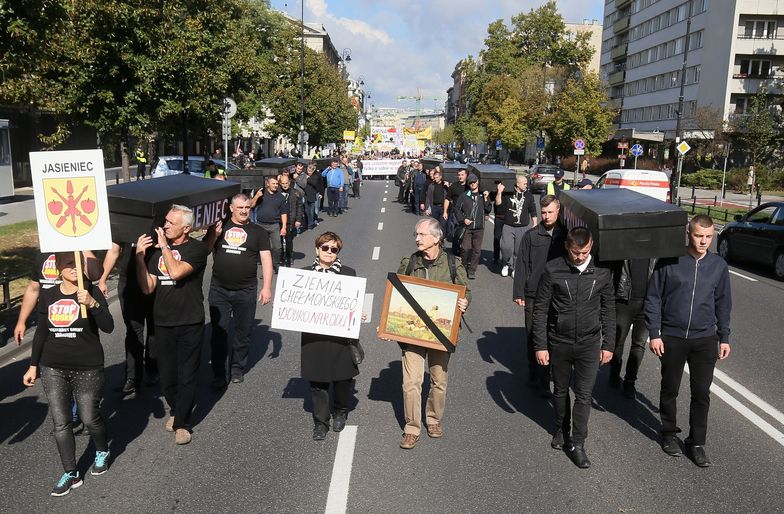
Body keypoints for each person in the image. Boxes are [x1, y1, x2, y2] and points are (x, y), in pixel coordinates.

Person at [23, 252, 114, 496]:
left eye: (78, 264)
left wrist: (93, 305)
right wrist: (33, 365)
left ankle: (102, 449)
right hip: (53, 367)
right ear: (58, 268)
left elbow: (108, 326)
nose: (74, 268)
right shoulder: (49, 295)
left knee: (88, 418)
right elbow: (41, 332)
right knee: (61, 423)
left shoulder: (91, 292)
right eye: (68, 264)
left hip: (87, 367)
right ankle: (71, 473)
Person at [645, 215, 732, 467]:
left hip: (705, 338)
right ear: (688, 233)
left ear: (713, 235)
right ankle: (669, 432)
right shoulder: (670, 261)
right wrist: (655, 333)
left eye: (707, 236)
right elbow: (653, 298)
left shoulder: (718, 265)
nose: (703, 241)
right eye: (698, 235)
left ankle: (696, 442)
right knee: (670, 387)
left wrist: (724, 337)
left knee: (702, 393)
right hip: (673, 336)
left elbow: (723, 303)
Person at [532, 227, 615, 469]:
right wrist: (540, 345)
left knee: (584, 394)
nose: (580, 257)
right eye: (576, 252)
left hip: (589, 343)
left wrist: (608, 343)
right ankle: (560, 428)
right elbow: (540, 310)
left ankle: (577, 443)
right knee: (560, 391)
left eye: (585, 252)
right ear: (568, 247)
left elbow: (609, 309)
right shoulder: (553, 269)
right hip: (559, 341)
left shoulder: (602, 271)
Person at [393, 218, 470, 450]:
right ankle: (412, 428)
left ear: (436, 238)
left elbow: (466, 292)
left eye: (422, 235)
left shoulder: (453, 264)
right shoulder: (409, 262)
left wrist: (466, 302)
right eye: (416, 234)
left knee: (438, 380)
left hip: (441, 333)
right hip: (413, 334)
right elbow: (396, 293)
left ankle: (433, 419)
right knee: (411, 382)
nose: (417, 238)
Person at [136, 205, 209, 445]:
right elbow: (147, 287)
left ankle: (183, 423)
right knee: (167, 376)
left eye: (170, 222)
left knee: (187, 374)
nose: (165, 225)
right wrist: (139, 258)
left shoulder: (197, 250)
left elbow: (177, 273)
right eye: (165, 221)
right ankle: (177, 408)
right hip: (163, 322)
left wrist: (164, 246)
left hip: (189, 321)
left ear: (186, 228)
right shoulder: (157, 253)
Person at [204, 194, 273, 388]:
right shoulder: (219, 227)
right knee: (219, 333)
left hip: (246, 290)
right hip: (219, 289)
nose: (244, 211)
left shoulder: (258, 232)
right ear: (231, 208)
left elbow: (267, 261)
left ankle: (237, 368)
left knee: (243, 332)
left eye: (247, 208)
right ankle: (219, 373)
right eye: (240, 207)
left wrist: (267, 287)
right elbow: (205, 251)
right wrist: (214, 236)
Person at [302, 232, 365, 440]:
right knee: (317, 383)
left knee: (342, 379)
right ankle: (321, 423)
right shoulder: (303, 275)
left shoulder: (349, 273)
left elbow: (353, 302)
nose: (329, 252)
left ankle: (340, 411)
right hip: (314, 338)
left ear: (338, 252)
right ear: (317, 250)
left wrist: (358, 312)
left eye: (333, 249)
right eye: (324, 248)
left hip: (340, 337)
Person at [512, 195, 566, 396]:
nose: (546, 216)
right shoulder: (532, 236)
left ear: (558, 211)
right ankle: (534, 372)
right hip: (534, 293)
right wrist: (519, 292)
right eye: (543, 212)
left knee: (553, 335)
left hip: (558, 294)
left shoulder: (564, 235)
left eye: (550, 212)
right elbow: (522, 264)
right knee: (533, 334)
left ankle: (546, 376)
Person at [99, 243, 158, 398]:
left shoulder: (159, 220)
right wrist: (103, 279)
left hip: (152, 278)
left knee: (154, 329)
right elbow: (113, 250)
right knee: (133, 331)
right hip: (128, 283)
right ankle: (132, 377)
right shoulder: (125, 221)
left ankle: (153, 368)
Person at [610, 258, 655, 399]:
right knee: (618, 340)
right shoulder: (625, 239)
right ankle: (614, 372)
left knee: (639, 345)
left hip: (648, 303)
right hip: (624, 300)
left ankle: (630, 381)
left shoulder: (658, 245)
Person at [497, 174, 538, 278]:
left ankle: (515, 268)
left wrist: (535, 223)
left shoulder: (528, 195)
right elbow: (498, 204)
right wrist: (499, 191)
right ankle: (506, 264)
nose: (526, 185)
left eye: (526, 183)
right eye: (524, 183)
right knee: (506, 247)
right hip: (508, 226)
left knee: (518, 250)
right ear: (517, 184)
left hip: (523, 227)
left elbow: (533, 210)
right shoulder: (508, 194)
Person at [453, 174, 491, 279]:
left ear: (478, 182)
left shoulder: (482, 196)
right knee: (465, 248)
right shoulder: (464, 195)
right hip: (467, 227)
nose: (472, 184)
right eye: (470, 182)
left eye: (474, 181)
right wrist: (463, 219)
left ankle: (472, 270)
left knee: (476, 250)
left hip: (479, 227)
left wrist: (486, 198)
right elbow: (457, 209)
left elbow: (488, 209)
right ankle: (463, 266)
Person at [252, 176, 289, 272]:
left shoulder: (280, 197)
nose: (276, 185)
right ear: (268, 184)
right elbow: (251, 205)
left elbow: (283, 213)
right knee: (261, 248)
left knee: (277, 247)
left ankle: (275, 265)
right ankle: (263, 267)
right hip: (261, 225)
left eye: (277, 184)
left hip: (274, 225)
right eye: (273, 183)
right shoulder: (261, 193)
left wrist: (284, 227)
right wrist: (256, 196)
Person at [279, 174, 304, 267]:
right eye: (283, 183)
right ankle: (281, 257)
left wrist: (298, 220)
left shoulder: (296, 192)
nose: (285, 185)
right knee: (279, 241)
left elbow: (300, 207)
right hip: (279, 220)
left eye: (286, 183)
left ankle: (289, 257)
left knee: (289, 240)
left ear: (289, 182)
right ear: (280, 183)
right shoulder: (277, 192)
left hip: (291, 220)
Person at [444, 167, 468, 252]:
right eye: (459, 175)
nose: (460, 176)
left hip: (467, 213)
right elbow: (447, 199)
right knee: (455, 233)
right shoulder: (454, 186)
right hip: (456, 213)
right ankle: (455, 251)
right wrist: (445, 211)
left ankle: (463, 251)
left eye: (462, 175)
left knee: (466, 234)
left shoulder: (469, 187)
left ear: (466, 175)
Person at [304, 164, 322, 229]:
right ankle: (307, 224)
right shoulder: (304, 175)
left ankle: (310, 225)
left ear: (313, 171)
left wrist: (308, 178)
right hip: (305, 195)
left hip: (312, 196)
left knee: (311, 211)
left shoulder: (315, 176)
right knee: (306, 211)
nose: (309, 172)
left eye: (310, 171)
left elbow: (314, 183)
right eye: (308, 170)